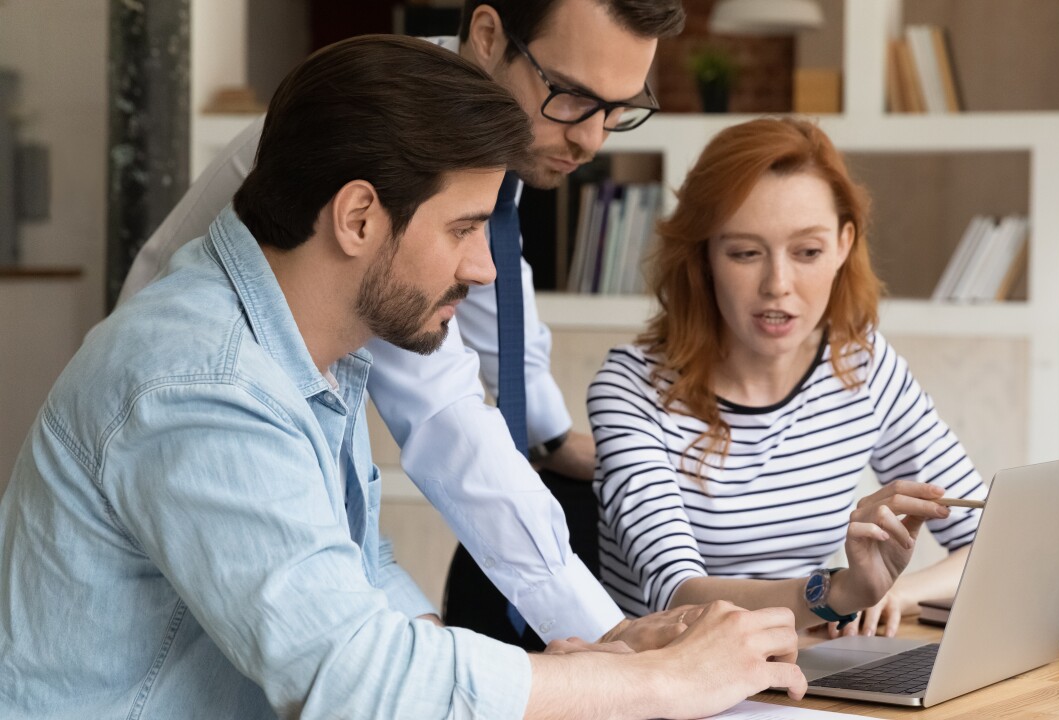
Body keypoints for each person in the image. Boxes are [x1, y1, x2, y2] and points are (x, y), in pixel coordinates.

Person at [0, 36, 806, 719]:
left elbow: (351, 579)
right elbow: (352, 679)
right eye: (463, 228)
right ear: (358, 218)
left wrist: (592, 661)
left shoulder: (315, 350)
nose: (485, 269)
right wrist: (652, 682)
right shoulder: (204, 383)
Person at [119, 0, 685, 650]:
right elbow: (446, 419)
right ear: (488, 34)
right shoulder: (389, 148)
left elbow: (500, 273)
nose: (593, 138)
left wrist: (547, 431)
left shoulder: (475, 129)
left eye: (619, 109)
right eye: (573, 97)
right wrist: (612, 639)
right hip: (172, 509)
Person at [587, 117, 988, 638]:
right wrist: (836, 594)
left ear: (844, 244)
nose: (778, 284)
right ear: (704, 255)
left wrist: (890, 592)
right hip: (670, 682)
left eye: (807, 252)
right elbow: (678, 594)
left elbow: (990, 541)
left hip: (808, 672)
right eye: (745, 253)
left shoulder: (864, 367)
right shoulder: (631, 389)